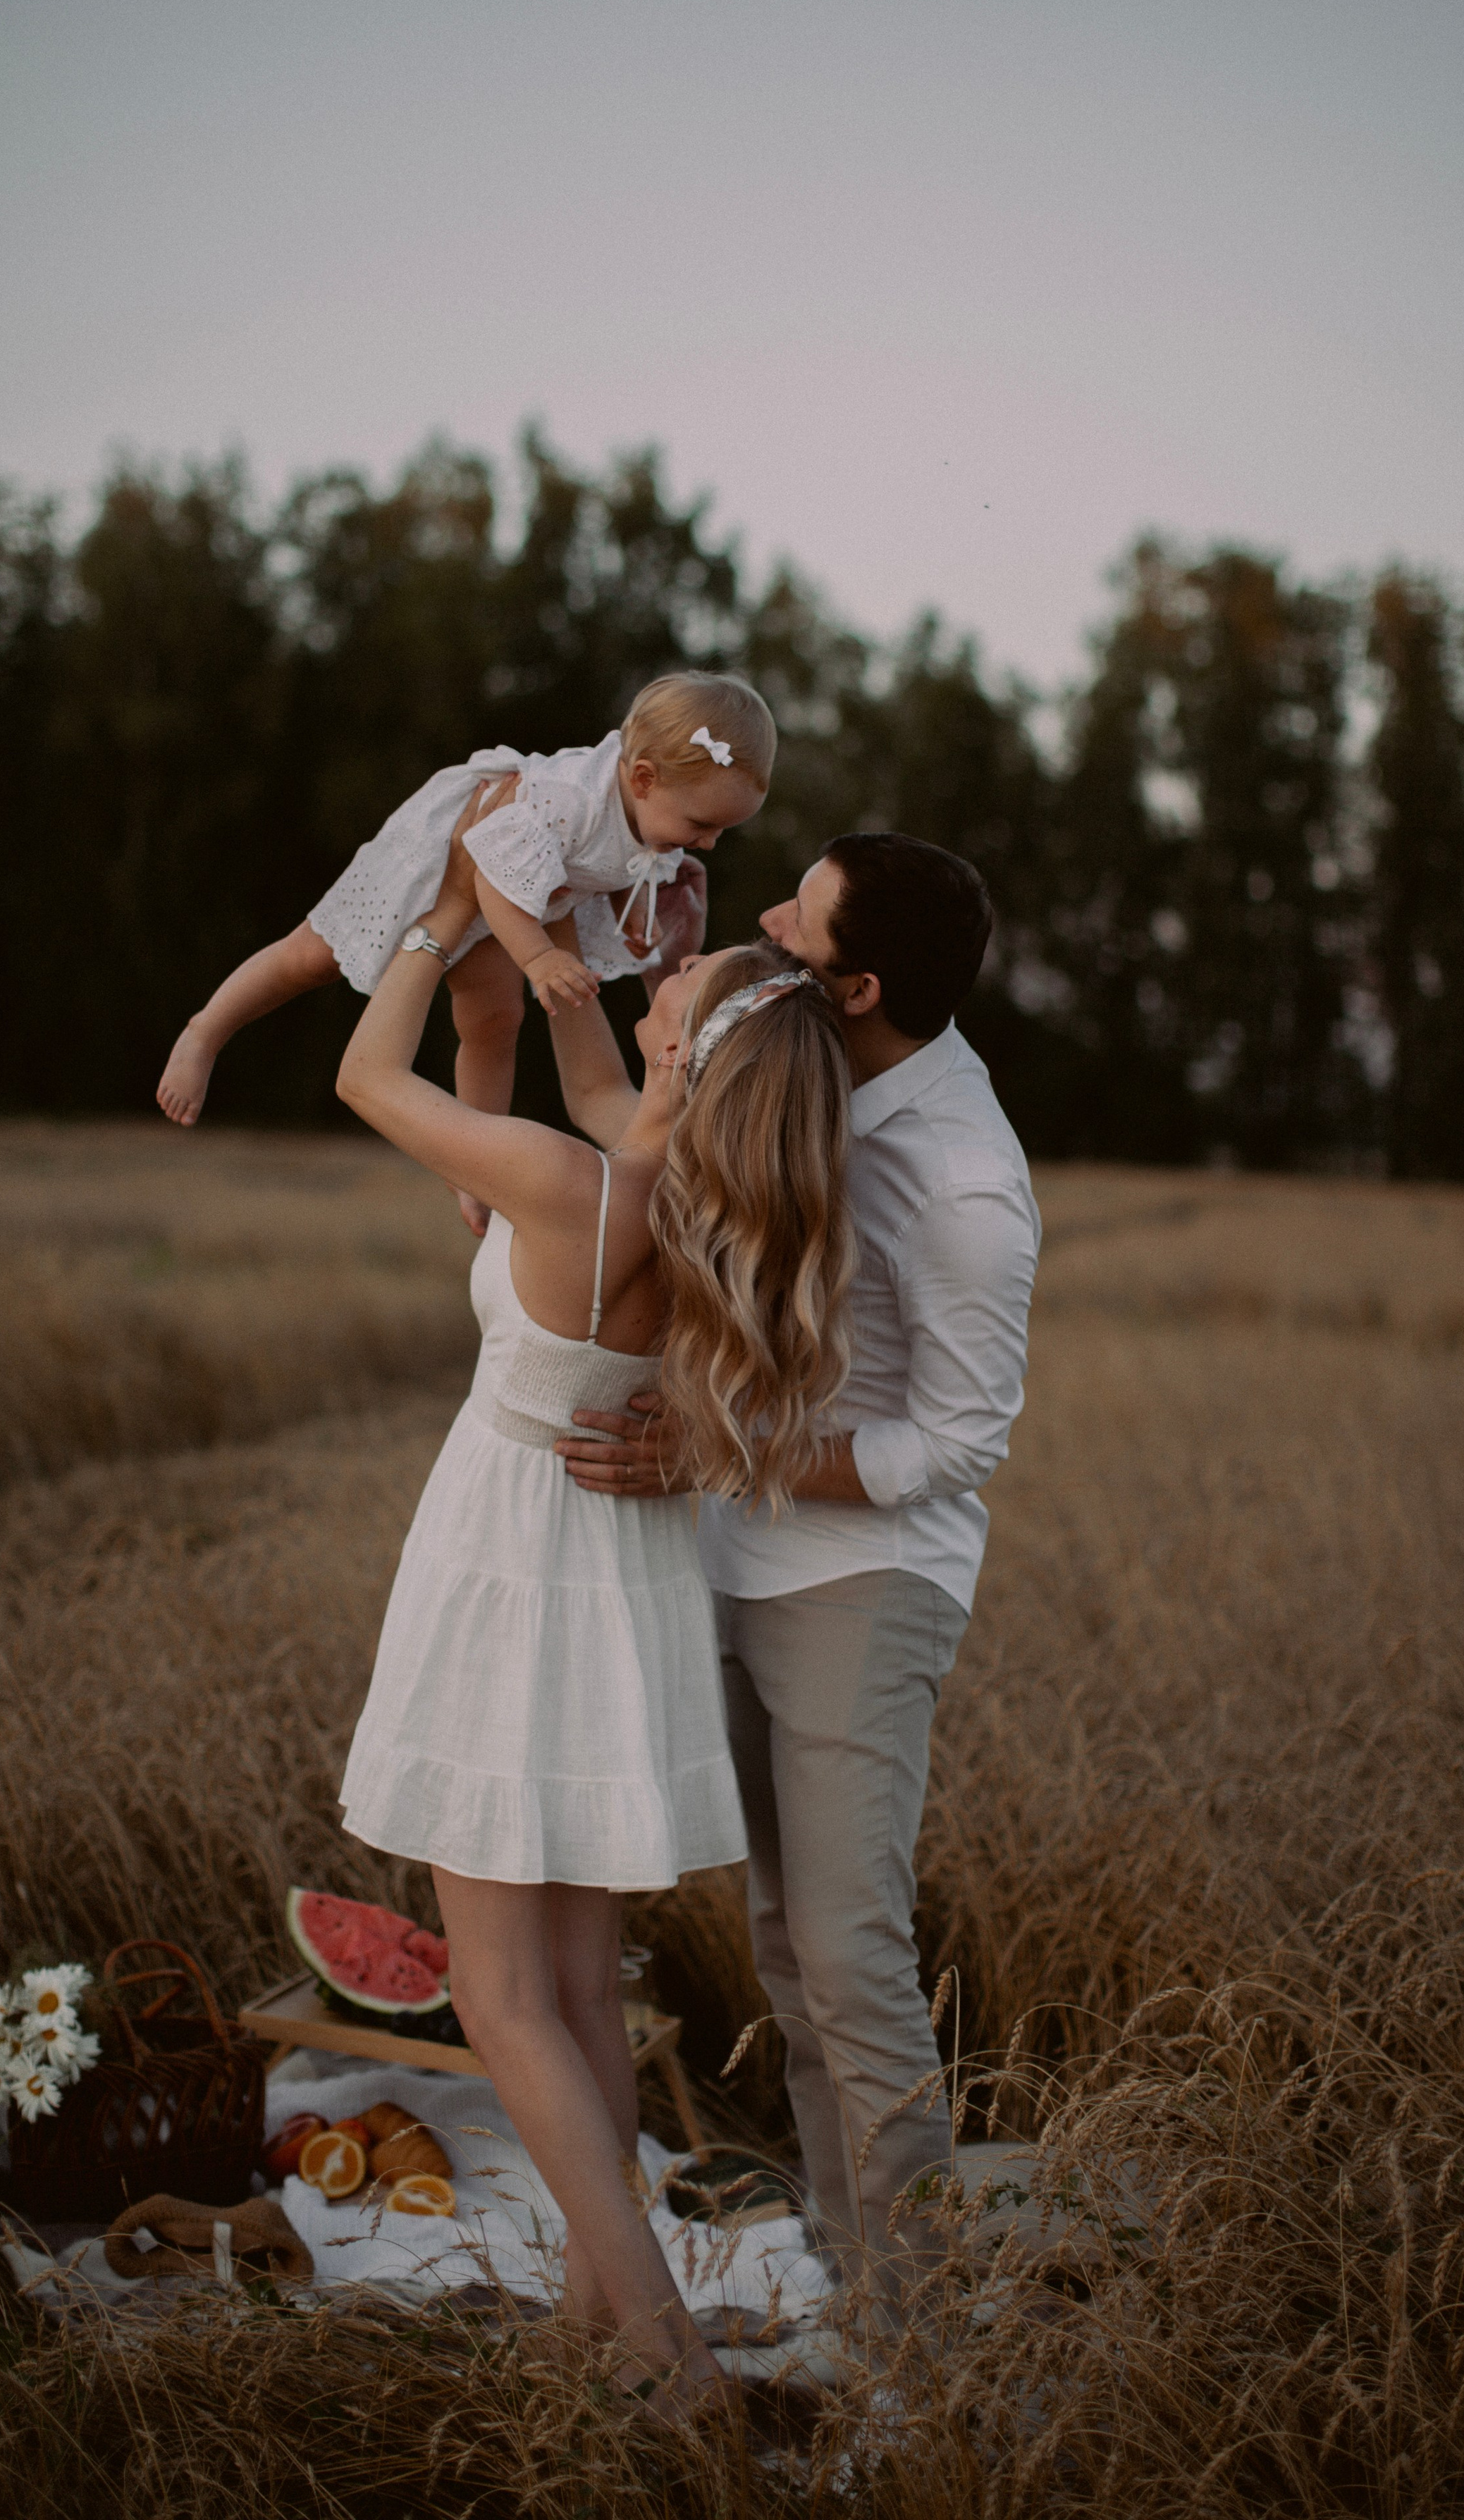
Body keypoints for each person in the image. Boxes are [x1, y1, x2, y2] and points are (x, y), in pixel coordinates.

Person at [333, 798, 854, 2419]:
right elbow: (608, 1093)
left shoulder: (573, 1187)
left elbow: (364, 1078)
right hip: (613, 1577)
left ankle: (663, 2347)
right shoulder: (687, 1198)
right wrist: (569, 997)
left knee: (497, 1991)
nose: (667, 980)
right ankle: (590, 2311)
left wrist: (428, 924)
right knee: (572, 1982)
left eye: (683, 1001)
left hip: (509, 1563)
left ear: (693, 1066)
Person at [556, 831, 1042, 2314]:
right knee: (784, 1949)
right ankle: (858, 2283)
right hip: (734, 1545)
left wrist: (717, 1456)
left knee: (848, 1952)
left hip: (864, 1575)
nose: (762, 919)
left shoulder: (962, 1184)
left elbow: (959, 1438)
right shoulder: (792, 1058)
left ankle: (919, 2361)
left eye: (796, 916)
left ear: (859, 988)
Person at [155, 670, 773, 1131]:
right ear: (643, 778)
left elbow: (634, 869)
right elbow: (485, 872)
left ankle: (477, 1158)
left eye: (723, 830)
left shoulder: (660, 810)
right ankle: (205, 1030)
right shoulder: (566, 801)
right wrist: (536, 960)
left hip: (522, 903)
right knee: (310, 955)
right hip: (453, 866)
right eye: (703, 825)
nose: (710, 844)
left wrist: (635, 923)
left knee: (494, 1022)